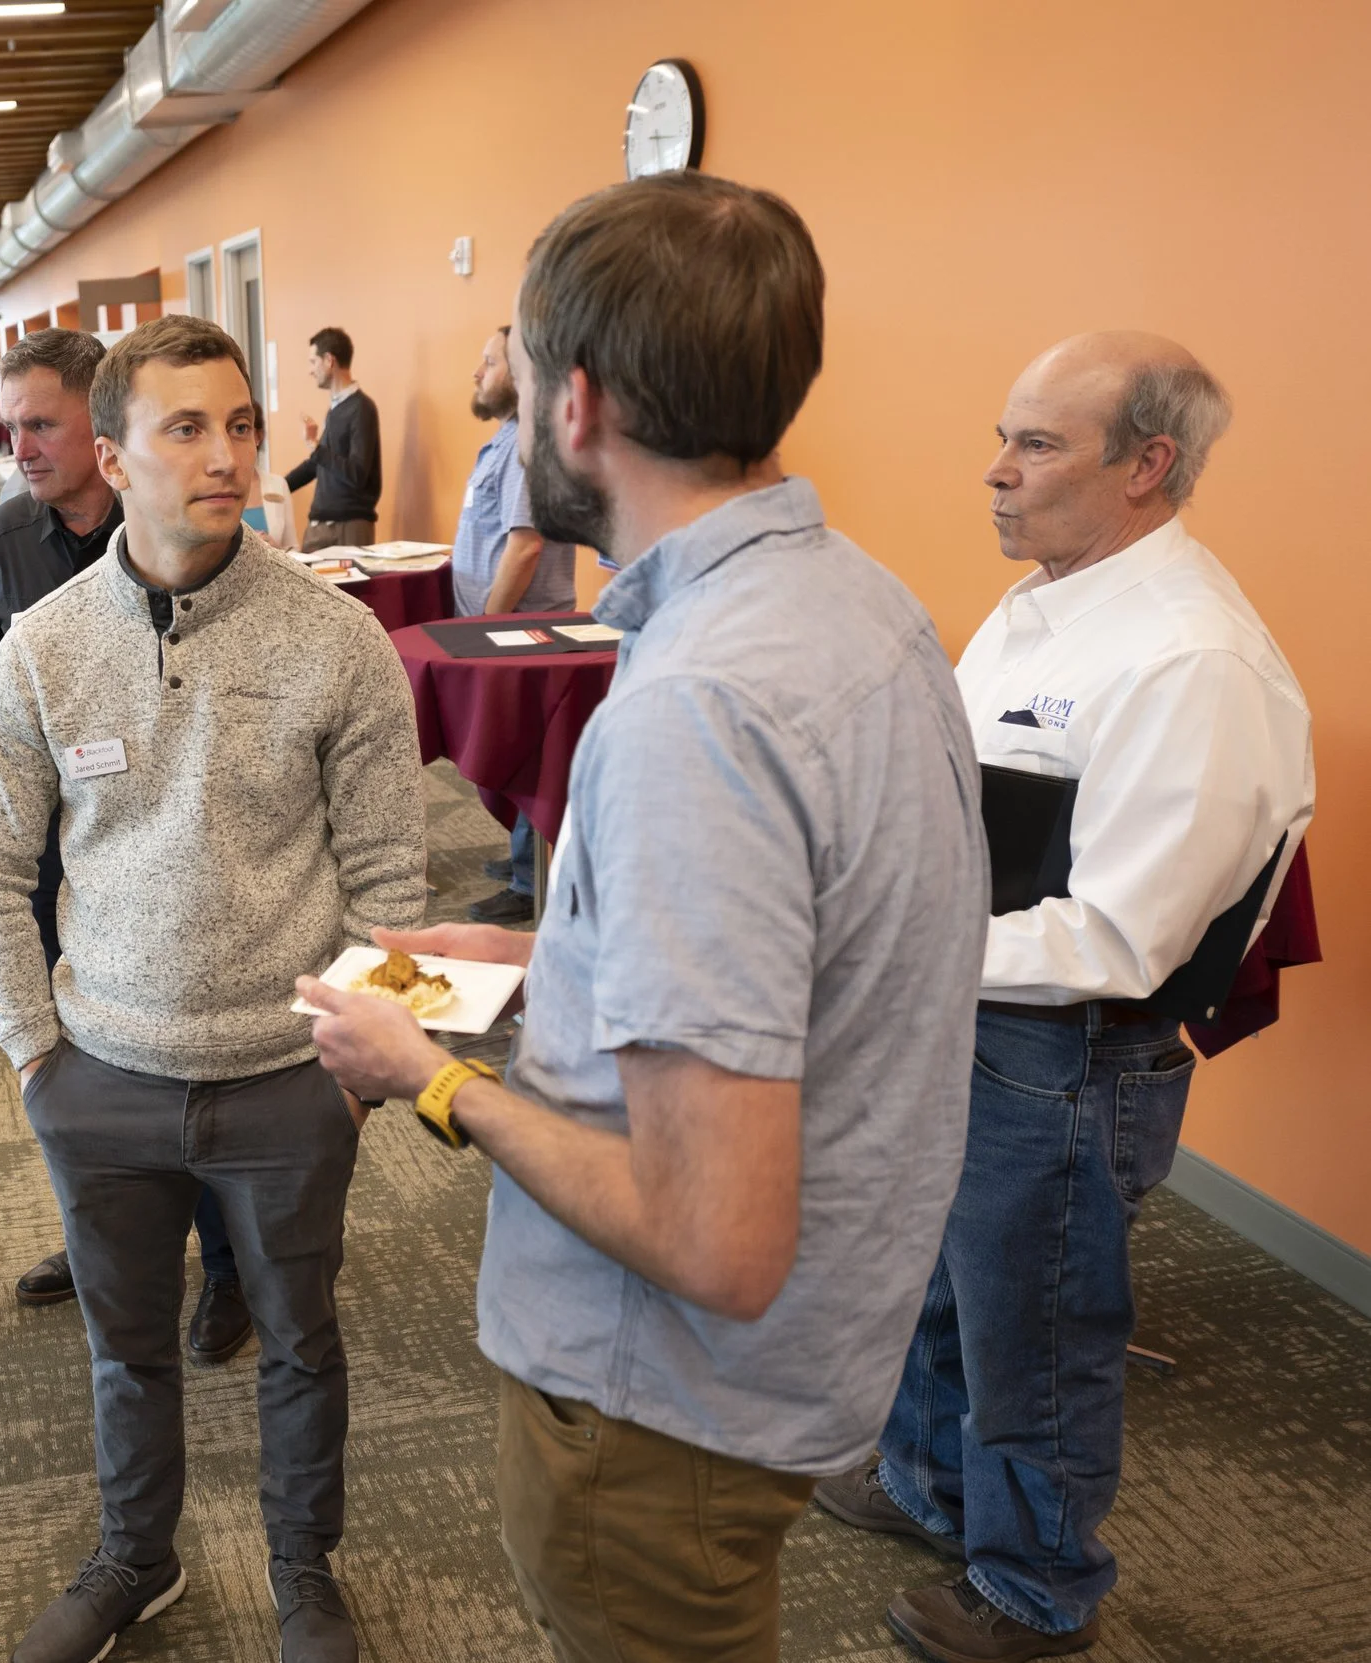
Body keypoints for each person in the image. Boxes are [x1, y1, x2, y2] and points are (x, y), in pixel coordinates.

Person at [301, 172, 990, 1663]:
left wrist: (432, 1081)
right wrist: (551, 957)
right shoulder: (860, 604)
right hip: (798, 1350)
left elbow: (712, 1236)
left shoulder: (696, 709)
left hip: (660, 1402)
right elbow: (807, 949)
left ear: (578, 404)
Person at [820, 334, 1314, 1663]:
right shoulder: (1044, 603)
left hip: (1068, 1053)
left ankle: (1038, 1587)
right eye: (1004, 435)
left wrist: (894, 939)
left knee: (1035, 1324)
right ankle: (929, 1483)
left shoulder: (1191, 659)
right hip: (972, 1011)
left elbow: (1122, 937)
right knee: (941, 1282)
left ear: (1148, 464)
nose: (996, 468)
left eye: (1036, 443)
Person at [0, 314, 426, 1663]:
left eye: (240, 424)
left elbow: (391, 877)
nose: (226, 455)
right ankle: (137, 1556)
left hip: (290, 1078)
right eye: (186, 428)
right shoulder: (43, 648)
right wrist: (33, 1054)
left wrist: (358, 1067)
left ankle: (303, 1566)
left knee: (301, 1339)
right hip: (100, 1073)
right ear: (114, 457)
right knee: (128, 1346)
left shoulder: (338, 640)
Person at [0, 326, 247, 1361]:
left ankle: (228, 1268)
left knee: (194, 1064)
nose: (21, 446)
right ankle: (105, 1233)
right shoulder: (8, 534)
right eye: (11, 426)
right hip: (60, 850)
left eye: (41, 424)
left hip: (178, 860)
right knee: (84, 1054)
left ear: (104, 429)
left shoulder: (181, 532)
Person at [452, 322, 576, 928]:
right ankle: (523, 860)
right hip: (502, 629)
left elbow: (524, 547)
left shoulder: (527, 446)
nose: (478, 372)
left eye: (491, 362)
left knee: (529, 754)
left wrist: (482, 628)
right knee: (514, 747)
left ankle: (532, 880)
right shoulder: (506, 438)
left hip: (519, 633)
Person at [282, 326, 381, 550]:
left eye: (313, 362)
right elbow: (318, 464)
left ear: (329, 360)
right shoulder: (335, 410)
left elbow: (356, 474)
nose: (310, 370)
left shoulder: (361, 408)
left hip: (346, 528)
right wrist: (277, 487)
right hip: (322, 526)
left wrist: (316, 447)